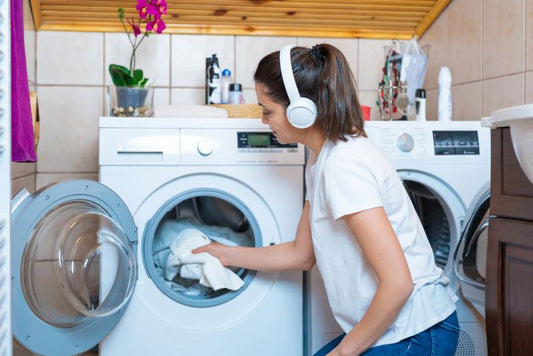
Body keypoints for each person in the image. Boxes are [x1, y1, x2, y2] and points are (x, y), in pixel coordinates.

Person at [193, 43, 460, 356]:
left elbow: (398, 283)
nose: (265, 121)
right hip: (395, 328)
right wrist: (225, 253)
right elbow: (301, 254)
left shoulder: (344, 166)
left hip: (418, 331)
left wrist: (342, 353)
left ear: (300, 111)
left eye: (268, 111)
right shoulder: (322, 158)